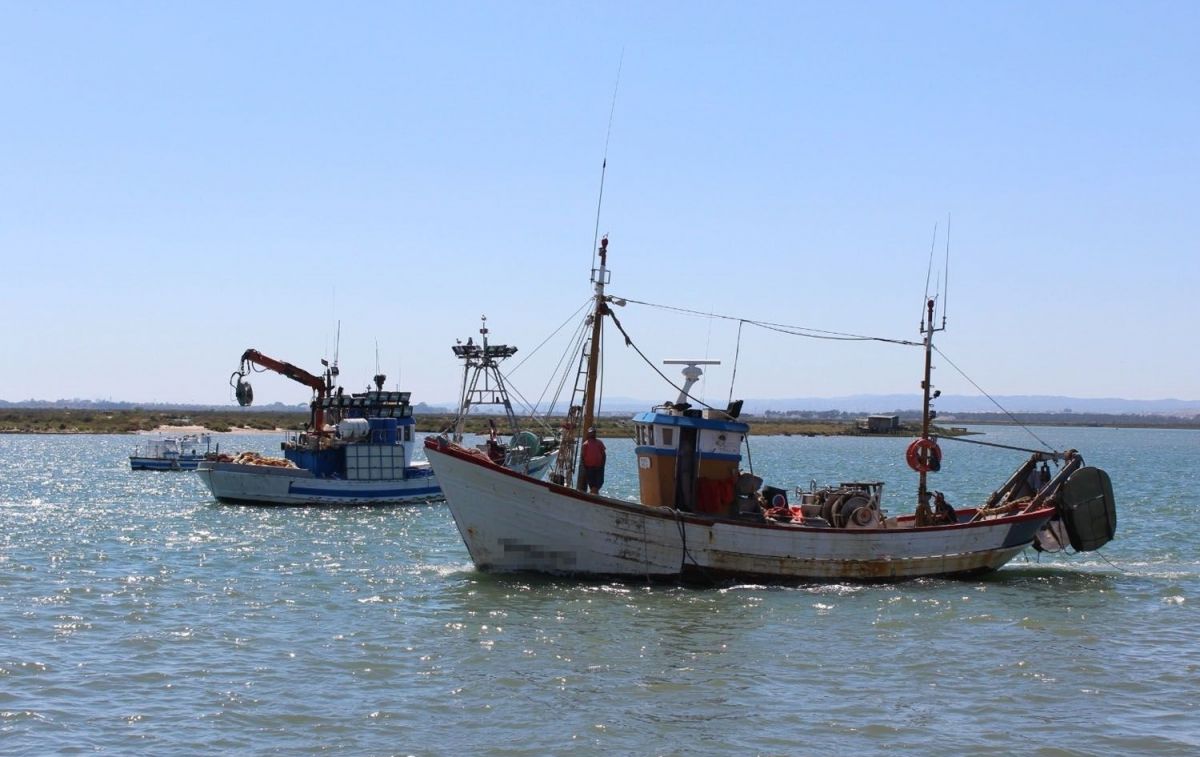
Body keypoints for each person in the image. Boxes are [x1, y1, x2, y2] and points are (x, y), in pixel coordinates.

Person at [581, 426, 607, 494]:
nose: (593, 434)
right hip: (589, 468)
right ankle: (593, 496)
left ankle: (594, 495)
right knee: (592, 485)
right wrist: (585, 467)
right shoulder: (585, 444)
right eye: (591, 433)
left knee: (600, 483)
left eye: (594, 433)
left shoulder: (599, 443)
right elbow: (583, 457)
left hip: (599, 467)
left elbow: (604, 455)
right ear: (588, 434)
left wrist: (602, 465)